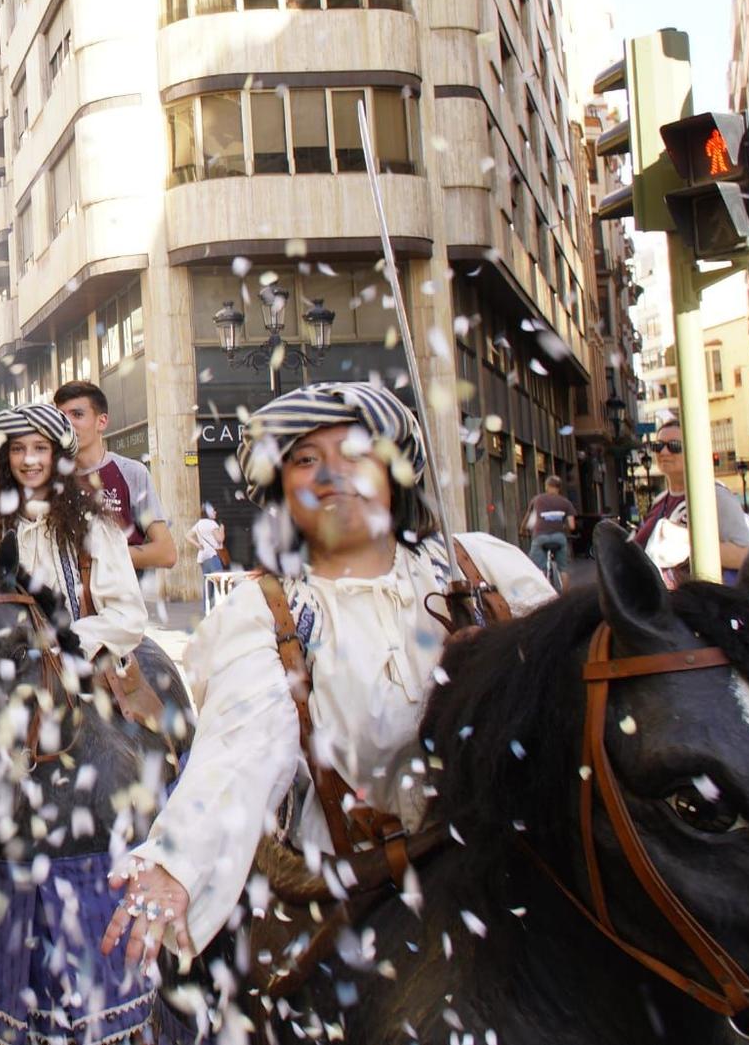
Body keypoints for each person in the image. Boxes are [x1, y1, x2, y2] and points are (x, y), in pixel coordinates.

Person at [100, 381, 554, 975]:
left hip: (519, 891)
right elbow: (240, 750)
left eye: (358, 453)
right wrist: (176, 860)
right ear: (281, 491)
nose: (332, 474)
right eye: (307, 460)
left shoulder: (483, 568)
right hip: (366, 918)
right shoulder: (264, 613)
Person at [0, 403, 148, 664]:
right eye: (18, 449)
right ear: (7, 459)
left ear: (57, 458)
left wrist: (63, 641)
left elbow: (129, 616)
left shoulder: (93, 529)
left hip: (84, 674)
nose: (29, 459)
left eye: (40, 448)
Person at [53, 382, 178, 601]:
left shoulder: (131, 473)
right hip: (60, 616)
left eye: (77, 414)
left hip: (120, 614)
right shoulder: (49, 478)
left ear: (102, 421)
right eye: (61, 416)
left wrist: (96, 558)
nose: (68, 423)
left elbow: (166, 552)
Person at [632, 417, 749, 587]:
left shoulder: (715, 497)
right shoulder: (659, 502)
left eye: (674, 446)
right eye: (658, 446)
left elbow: (745, 556)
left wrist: (689, 543)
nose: (664, 452)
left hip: (695, 605)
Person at [521, 473, 578, 584]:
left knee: (536, 568)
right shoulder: (566, 503)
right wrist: (561, 526)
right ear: (559, 488)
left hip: (540, 536)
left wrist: (522, 530)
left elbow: (527, 518)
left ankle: (543, 590)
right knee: (564, 570)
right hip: (559, 537)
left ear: (547, 486)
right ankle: (565, 599)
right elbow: (572, 526)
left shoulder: (537, 499)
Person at [188, 503, 229, 601]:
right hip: (212, 556)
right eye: (213, 510)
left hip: (203, 557)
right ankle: (221, 606)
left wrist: (198, 545)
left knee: (208, 584)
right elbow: (220, 539)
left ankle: (206, 608)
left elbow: (187, 536)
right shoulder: (212, 524)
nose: (215, 512)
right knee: (220, 582)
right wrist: (222, 529)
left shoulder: (199, 524)